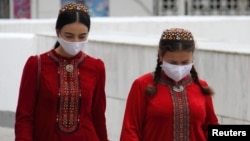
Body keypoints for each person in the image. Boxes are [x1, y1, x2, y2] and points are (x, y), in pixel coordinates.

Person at [15, 3, 109, 141]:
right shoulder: (36, 64)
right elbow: (25, 116)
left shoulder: (96, 67)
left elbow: (98, 117)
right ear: (58, 32)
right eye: (69, 36)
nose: (76, 41)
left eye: (82, 36)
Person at [120, 28, 219, 141]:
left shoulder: (201, 86)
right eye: (173, 63)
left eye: (185, 62)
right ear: (161, 56)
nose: (179, 67)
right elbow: (130, 130)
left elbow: (211, 126)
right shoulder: (142, 85)